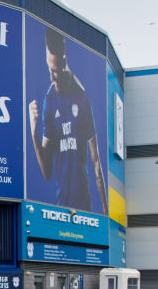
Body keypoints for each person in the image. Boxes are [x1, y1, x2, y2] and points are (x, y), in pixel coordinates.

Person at [28, 27, 107, 212]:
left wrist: (105, 214)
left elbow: (96, 163)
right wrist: (33, 132)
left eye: (55, 71)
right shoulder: (49, 100)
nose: (51, 77)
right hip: (60, 208)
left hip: (83, 208)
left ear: (64, 62)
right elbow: (47, 172)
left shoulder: (82, 97)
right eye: (49, 69)